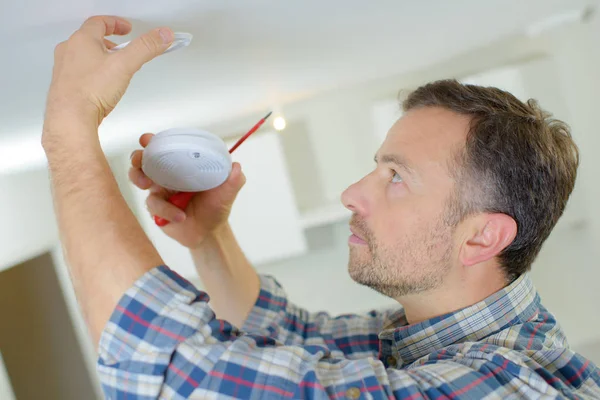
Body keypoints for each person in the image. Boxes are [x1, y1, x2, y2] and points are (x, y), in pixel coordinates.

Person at [43, 15, 600, 399]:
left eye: (396, 178)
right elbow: (281, 332)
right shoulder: (425, 338)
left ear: (481, 238)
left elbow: (179, 378)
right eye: (378, 166)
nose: (352, 194)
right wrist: (209, 237)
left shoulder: (514, 386)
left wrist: (70, 131)